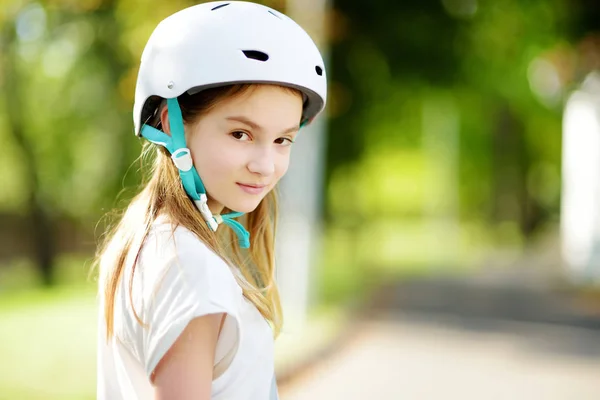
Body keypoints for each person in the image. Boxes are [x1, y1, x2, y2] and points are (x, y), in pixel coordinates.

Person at [94, 2, 327, 399]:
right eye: (241, 134)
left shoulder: (151, 240)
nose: (265, 165)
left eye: (282, 139)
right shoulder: (192, 269)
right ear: (173, 124)